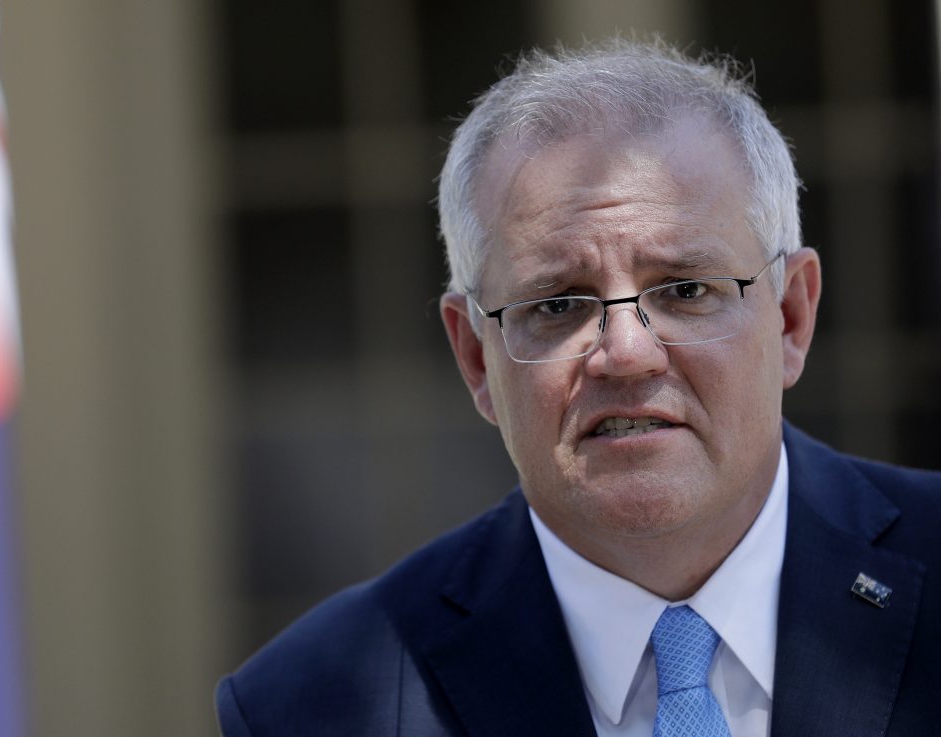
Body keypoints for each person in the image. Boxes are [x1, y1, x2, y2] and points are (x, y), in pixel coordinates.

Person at [216, 40, 941, 736]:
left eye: (686, 289)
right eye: (557, 305)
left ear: (790, 316)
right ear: (475, 356)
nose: (625, 354)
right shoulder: (309, 706)